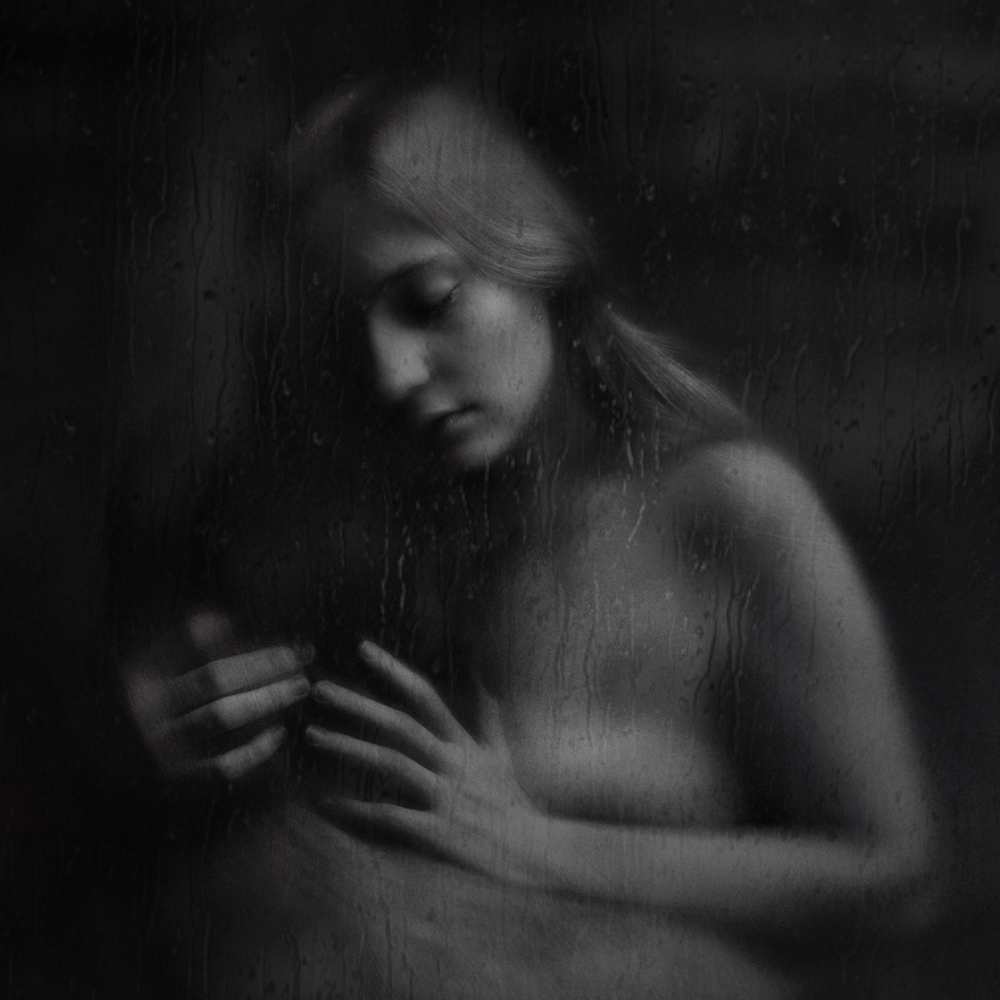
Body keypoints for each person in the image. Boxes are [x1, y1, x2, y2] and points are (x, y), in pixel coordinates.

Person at [116, 81, 936, 999]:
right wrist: (172, 736)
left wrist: (538, 848)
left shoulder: (733, 506)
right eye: (346, 331)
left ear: (536, 257)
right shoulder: (382, 527)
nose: (395, 372)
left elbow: (895, 875)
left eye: (431, 300)